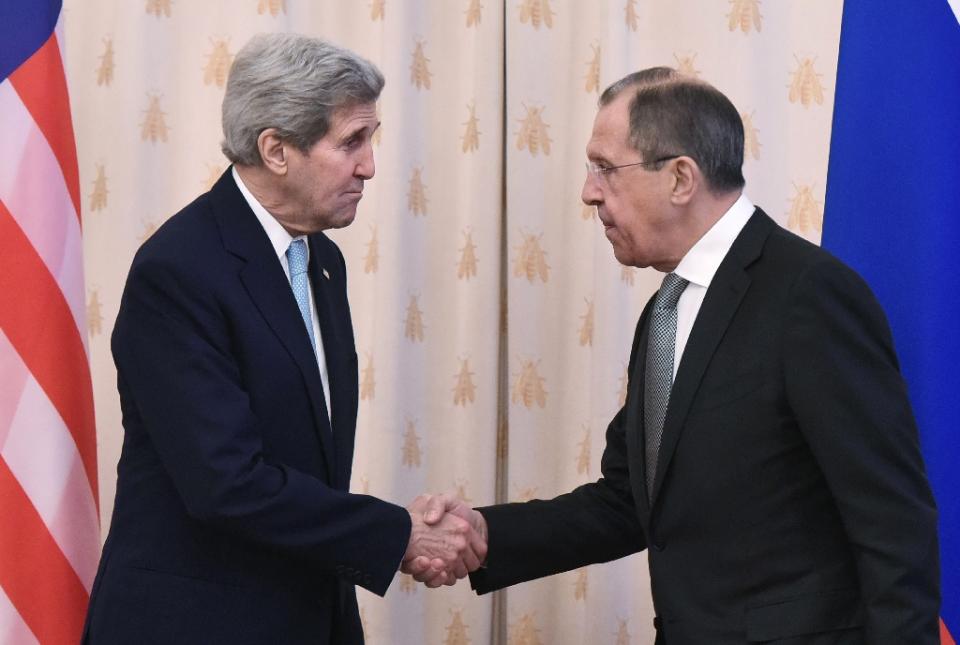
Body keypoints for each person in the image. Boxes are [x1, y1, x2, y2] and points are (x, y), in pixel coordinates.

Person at [411, 68, 940, 644]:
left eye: (606, 168)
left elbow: (890, 521)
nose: (589, 191)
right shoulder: (666, 311)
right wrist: (485, 533)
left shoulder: (808, 295)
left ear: (681, 178)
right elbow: (628, 502)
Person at [82, 33, 483, 645]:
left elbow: (307, 464)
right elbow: (228, 484)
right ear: (275, 150)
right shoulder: (180, 270)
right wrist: (399, 534)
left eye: (370, 139)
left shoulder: (323, 261)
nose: (370, 164)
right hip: (197, 624)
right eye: (351, 141)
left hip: (305, 615)